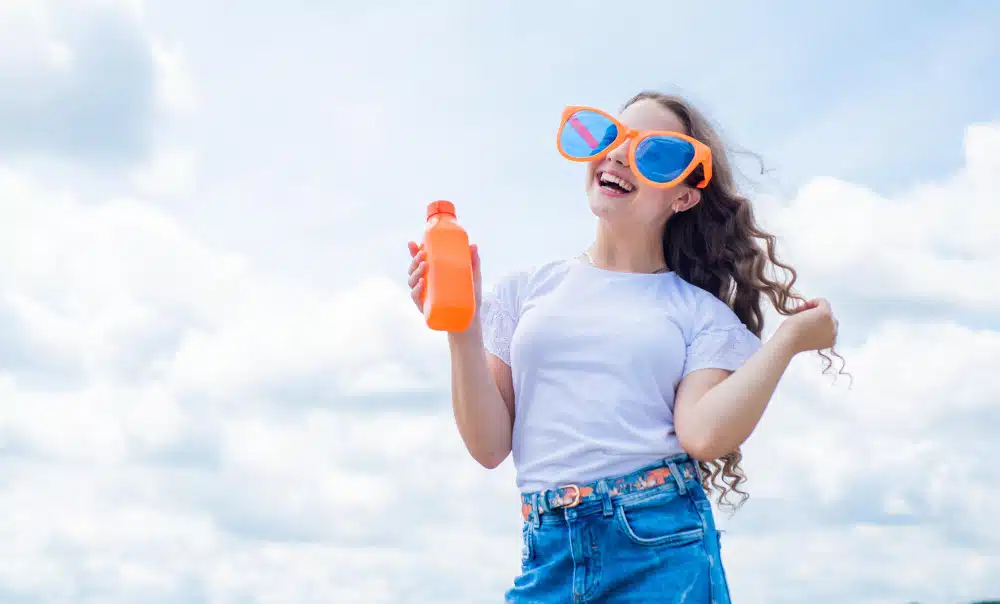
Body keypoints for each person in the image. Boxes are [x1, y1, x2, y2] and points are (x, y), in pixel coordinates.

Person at [405, 91, 843, 603]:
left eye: (654, 153)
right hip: (550, 548)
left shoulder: (699, 314)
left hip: (661, 546)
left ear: (683, 197)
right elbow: (488, 447)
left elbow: (702, 435)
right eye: (611, 136)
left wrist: (788, 341)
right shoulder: (524, 291)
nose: (618, 155)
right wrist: (461, 326)